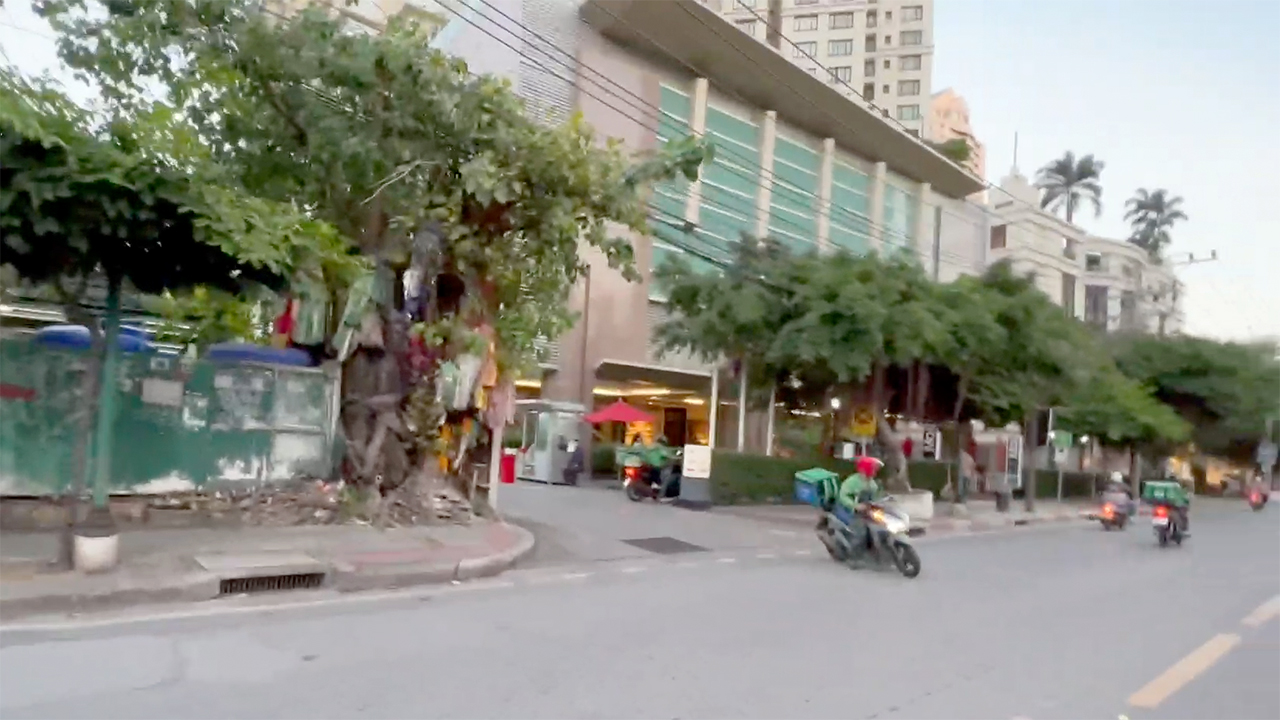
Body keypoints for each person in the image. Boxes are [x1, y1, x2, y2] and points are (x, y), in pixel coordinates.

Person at [837, 456, 885, 551]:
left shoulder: (872, 483)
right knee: (860, 533)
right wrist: (855, 506)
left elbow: (877, 497)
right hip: (851, 511)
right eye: (873, 468)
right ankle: (854, 556)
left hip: (867, 511)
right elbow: (843, 496)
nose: (875, 471)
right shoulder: (852, 482)